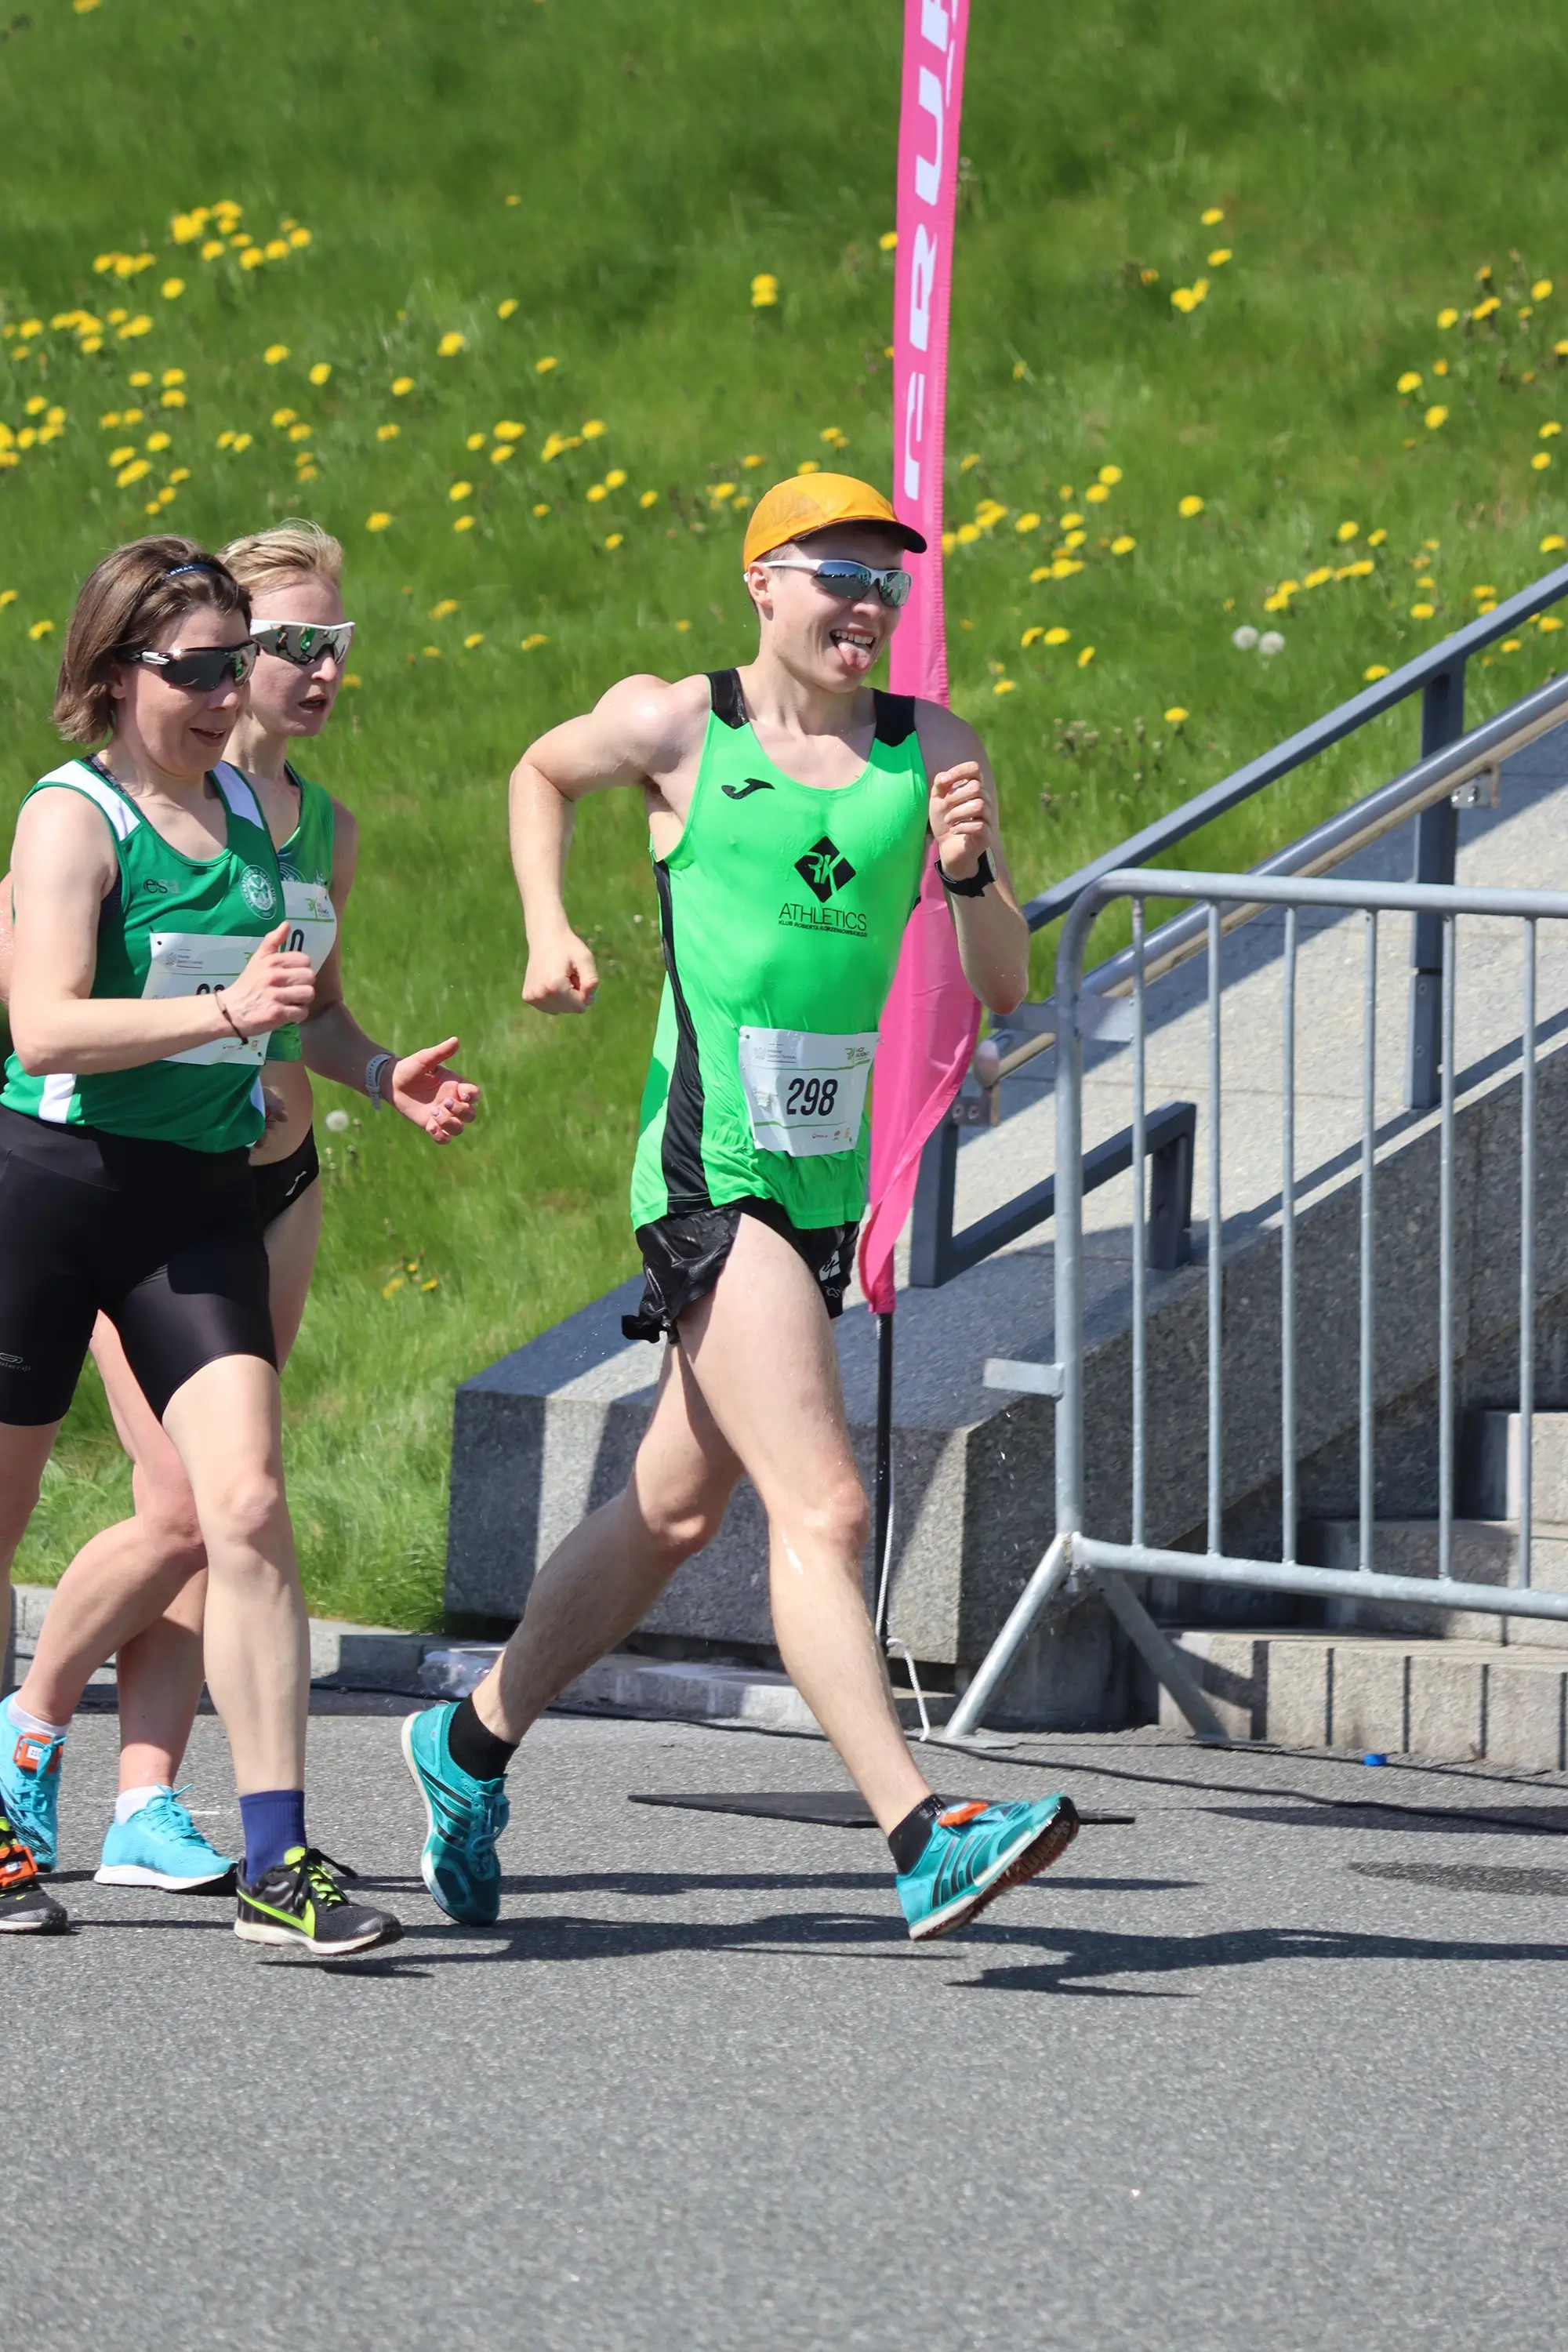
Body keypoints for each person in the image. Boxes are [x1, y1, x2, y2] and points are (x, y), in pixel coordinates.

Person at [402, 472, 1080, 1943]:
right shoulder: (678, 725)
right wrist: (546, 922)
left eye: (888, 583)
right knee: (824, 1505)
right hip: (715, 1173)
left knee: (671, 1504)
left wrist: (967, 876)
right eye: (837, 575)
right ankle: (923, 1833)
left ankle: (465, 1743)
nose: (865, 605)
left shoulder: (933, 752)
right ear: (761, 582)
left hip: (826, 1181)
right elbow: (536, 770)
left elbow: (1006, 980)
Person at [0, 521, 479, 1904]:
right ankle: (29, 1750)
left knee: (246, 1506)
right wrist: (222, 1013)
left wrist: (379, 1072)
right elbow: (40, 1022)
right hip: (50, 1187)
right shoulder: (69, 816)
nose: (227, 693)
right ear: (117, 668)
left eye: (239, 668)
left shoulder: (286, 823)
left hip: (199, 1197)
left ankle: (275, 1856)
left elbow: (307, 1009)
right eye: (202, 669)